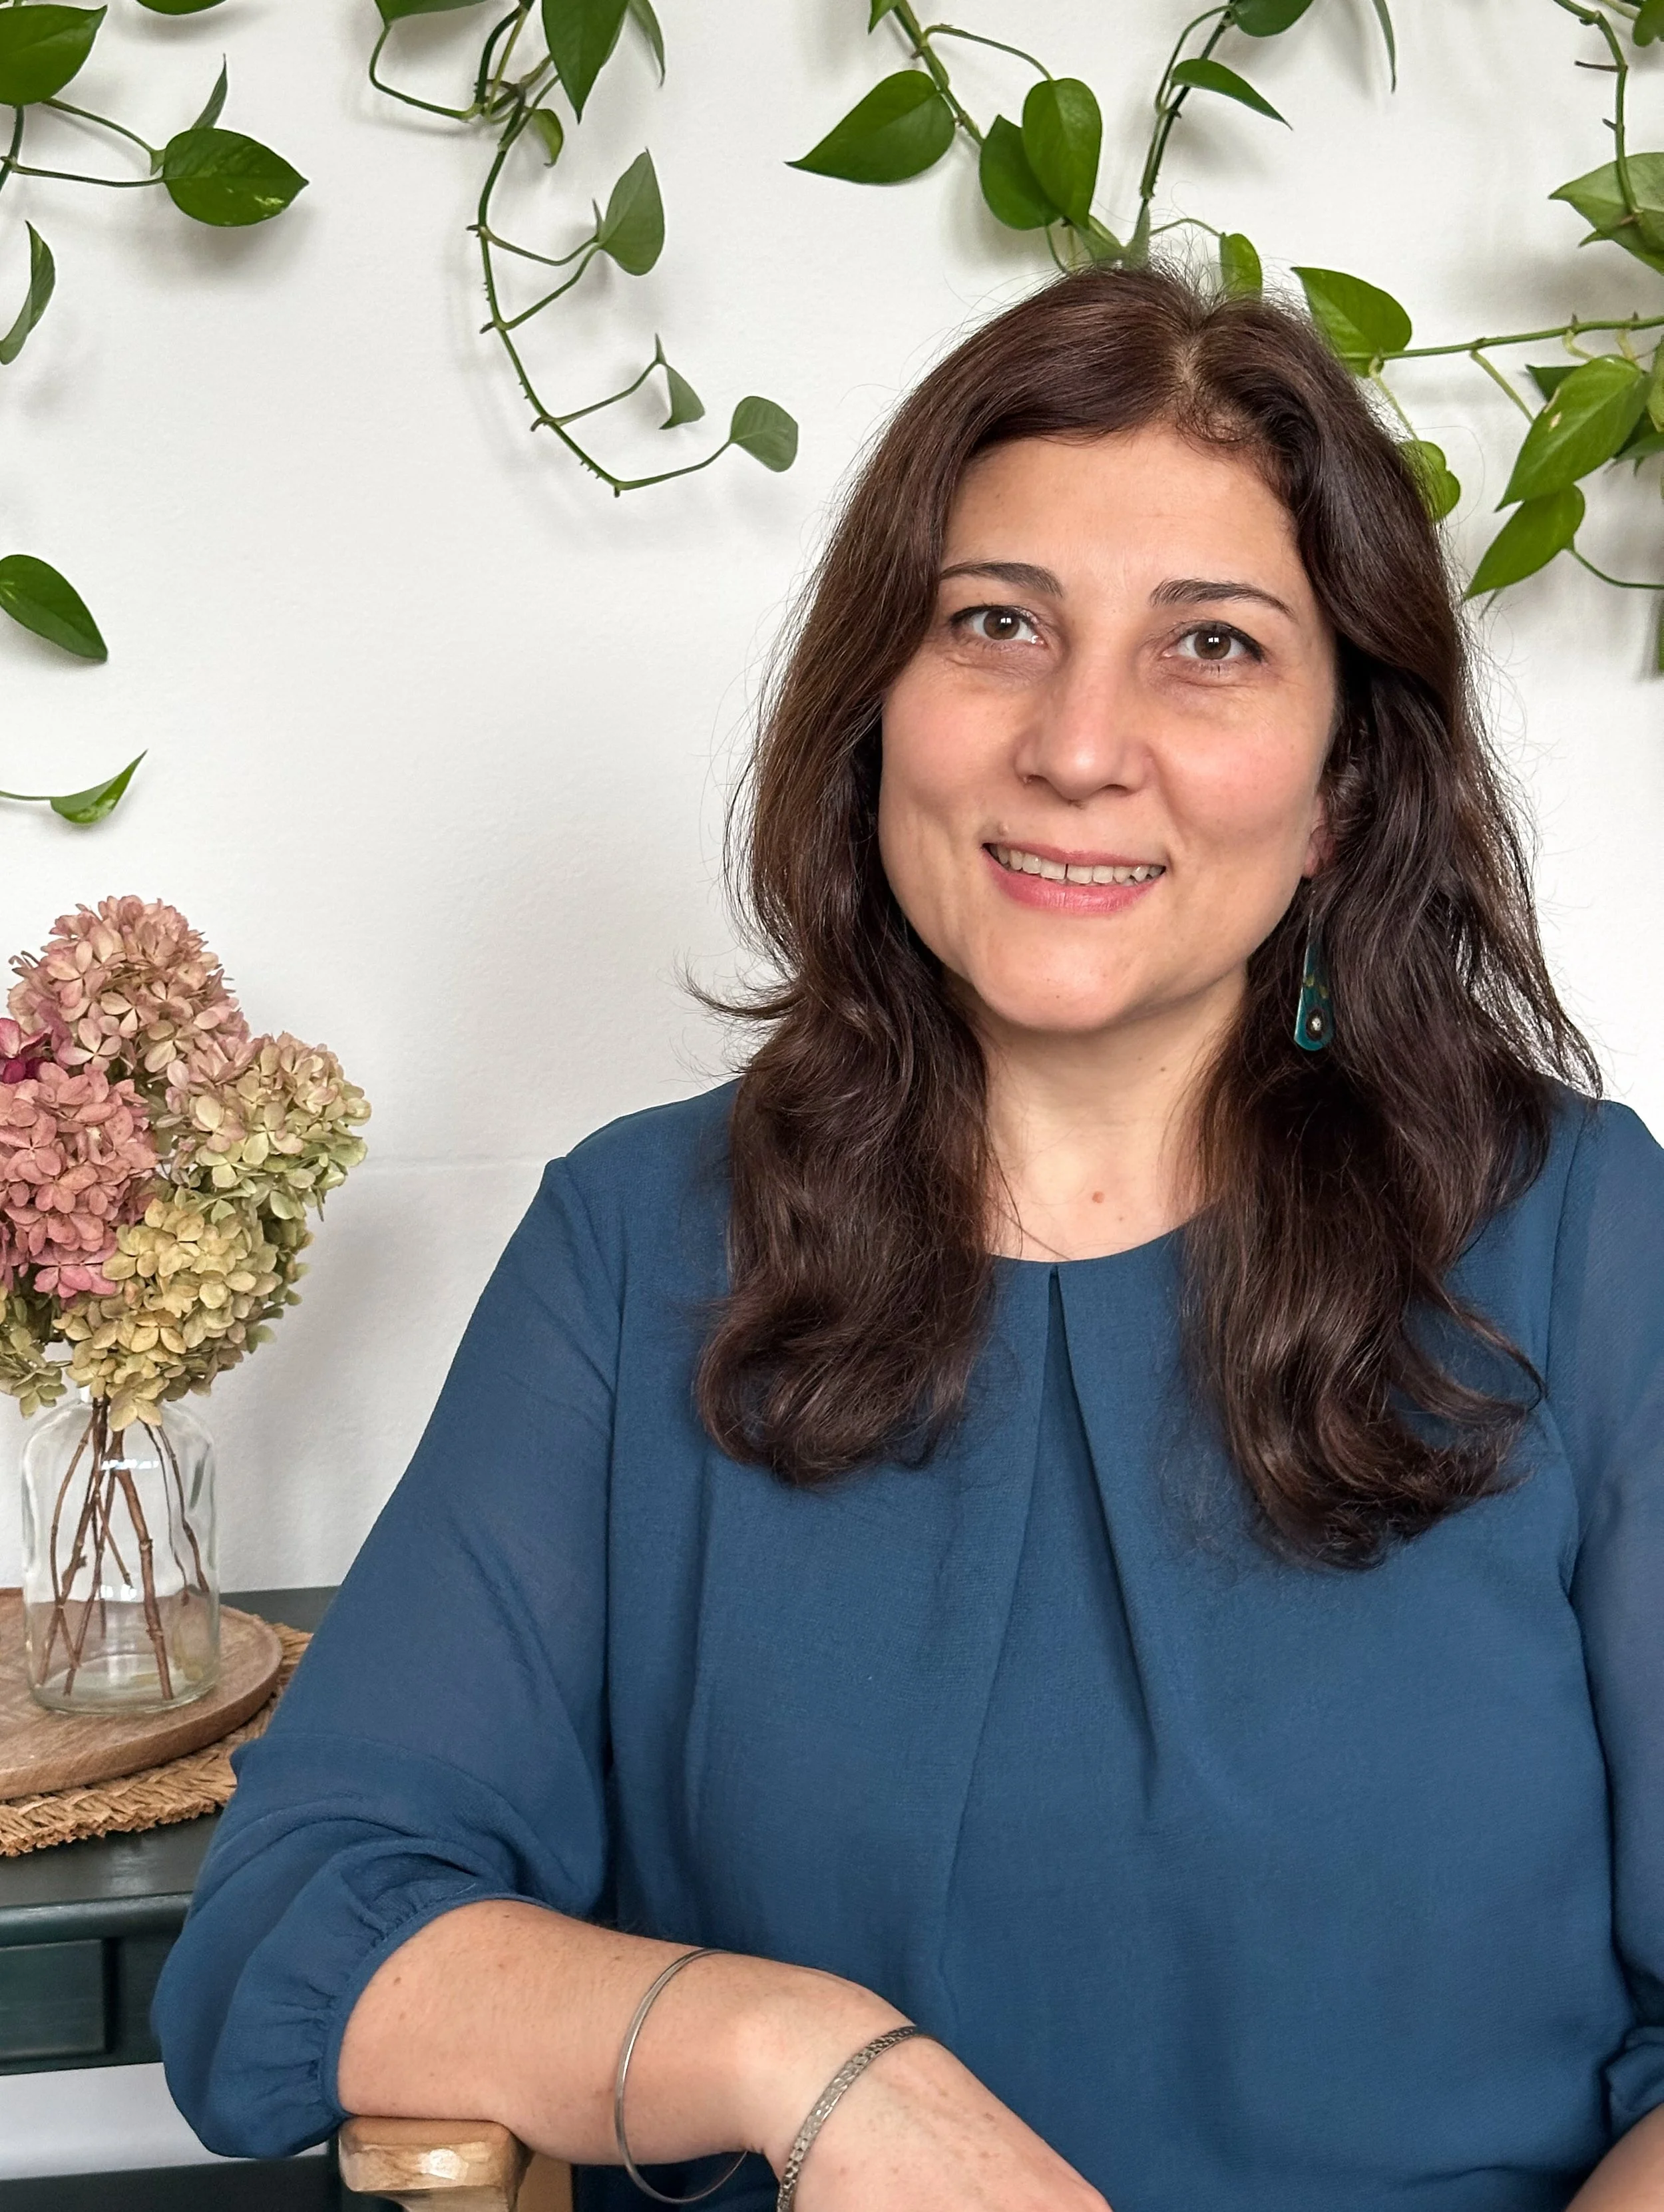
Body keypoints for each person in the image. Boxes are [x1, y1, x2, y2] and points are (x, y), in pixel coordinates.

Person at [154, 264, 1664, 2212]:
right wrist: (811, 2063)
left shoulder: (1584, 1238)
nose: (1076, 741)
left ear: (1336, 790)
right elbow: (296, 1929)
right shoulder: (634, 1247)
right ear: (879, 707)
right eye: (996, 624)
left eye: (1207, 645)